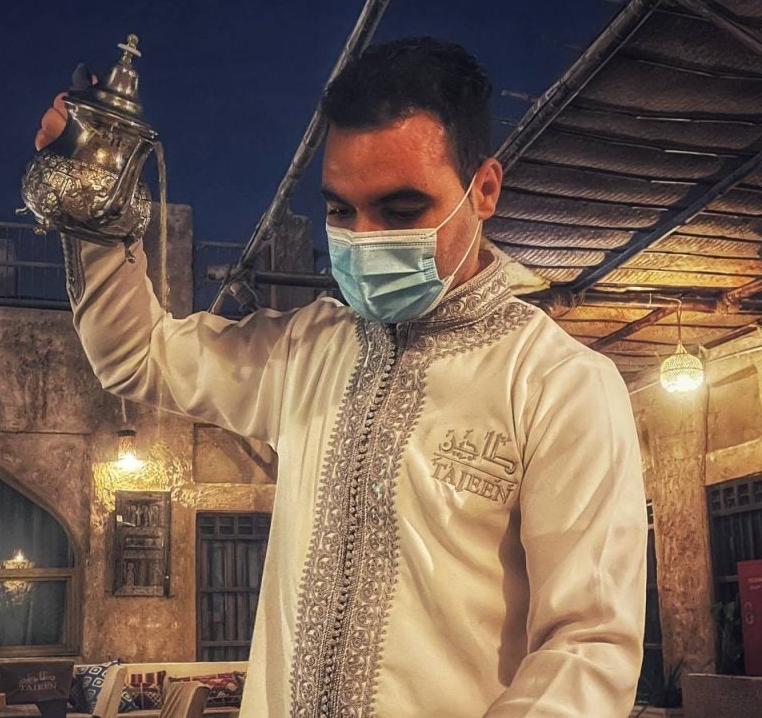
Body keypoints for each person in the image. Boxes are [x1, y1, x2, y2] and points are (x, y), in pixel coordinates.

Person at [40, 37, 646, 716]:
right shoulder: (307, 349)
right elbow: (134, 352)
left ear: (485, 190)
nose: (363, 237)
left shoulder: (559, 385)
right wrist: (93, 200)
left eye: (399, 210)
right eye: (339, 210)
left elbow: (589, 643)